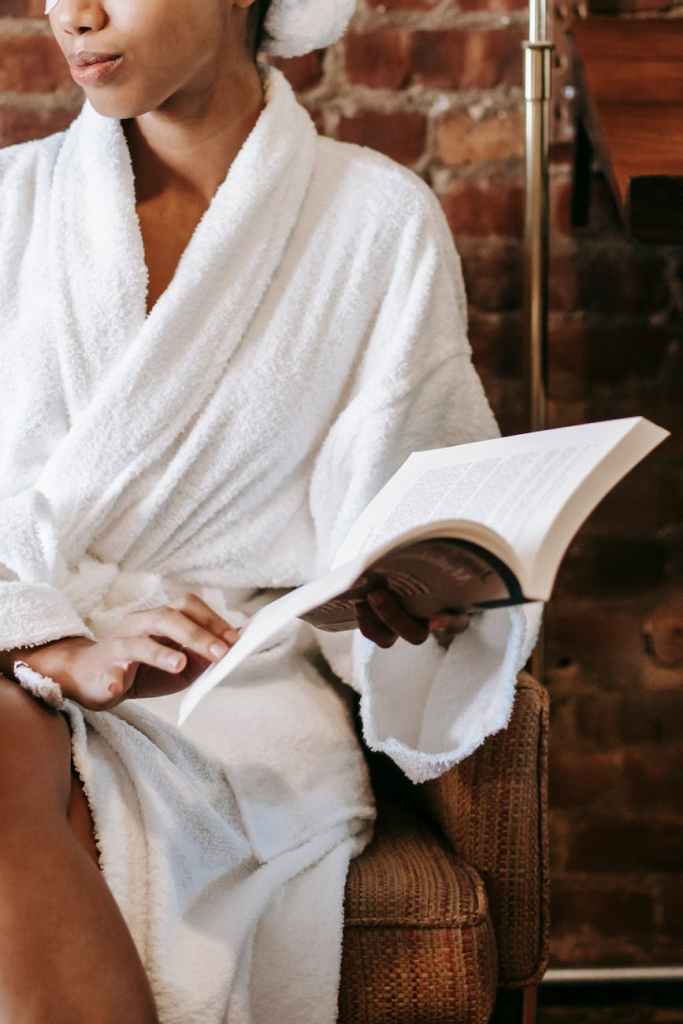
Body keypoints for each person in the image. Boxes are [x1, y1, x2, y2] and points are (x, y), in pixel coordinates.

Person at [0, 0, 543, 1021]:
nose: (71, 14)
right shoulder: (9, 208)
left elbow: (410, 506)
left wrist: (411, 600)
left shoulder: (371, 221)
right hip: (32, 650)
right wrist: (47, 636)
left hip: (227, 683)